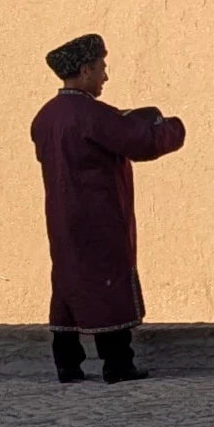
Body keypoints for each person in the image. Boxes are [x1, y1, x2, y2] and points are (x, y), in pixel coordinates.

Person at [31, 33, 185, 385]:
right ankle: (118, 363)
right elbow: (140, 142)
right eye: (101, 67)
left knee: (69, 282)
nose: (105, 76)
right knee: (107, 283)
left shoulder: (46, 117)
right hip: (99, 215)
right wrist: (172, 127)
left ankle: (67, 364)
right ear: (85, 70)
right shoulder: (91, 114)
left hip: (61, 216)